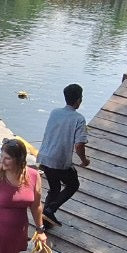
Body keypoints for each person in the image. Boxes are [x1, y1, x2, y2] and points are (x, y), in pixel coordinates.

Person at [38, 84, 89, 228]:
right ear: (78, 100)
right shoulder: (79, 119)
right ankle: (50, 209)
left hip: (44, 157)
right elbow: (79, 145)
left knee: (54, 188)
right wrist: (84, 160)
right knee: (73, 185)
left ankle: (45, 221)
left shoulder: (54, 112)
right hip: (59, 161)